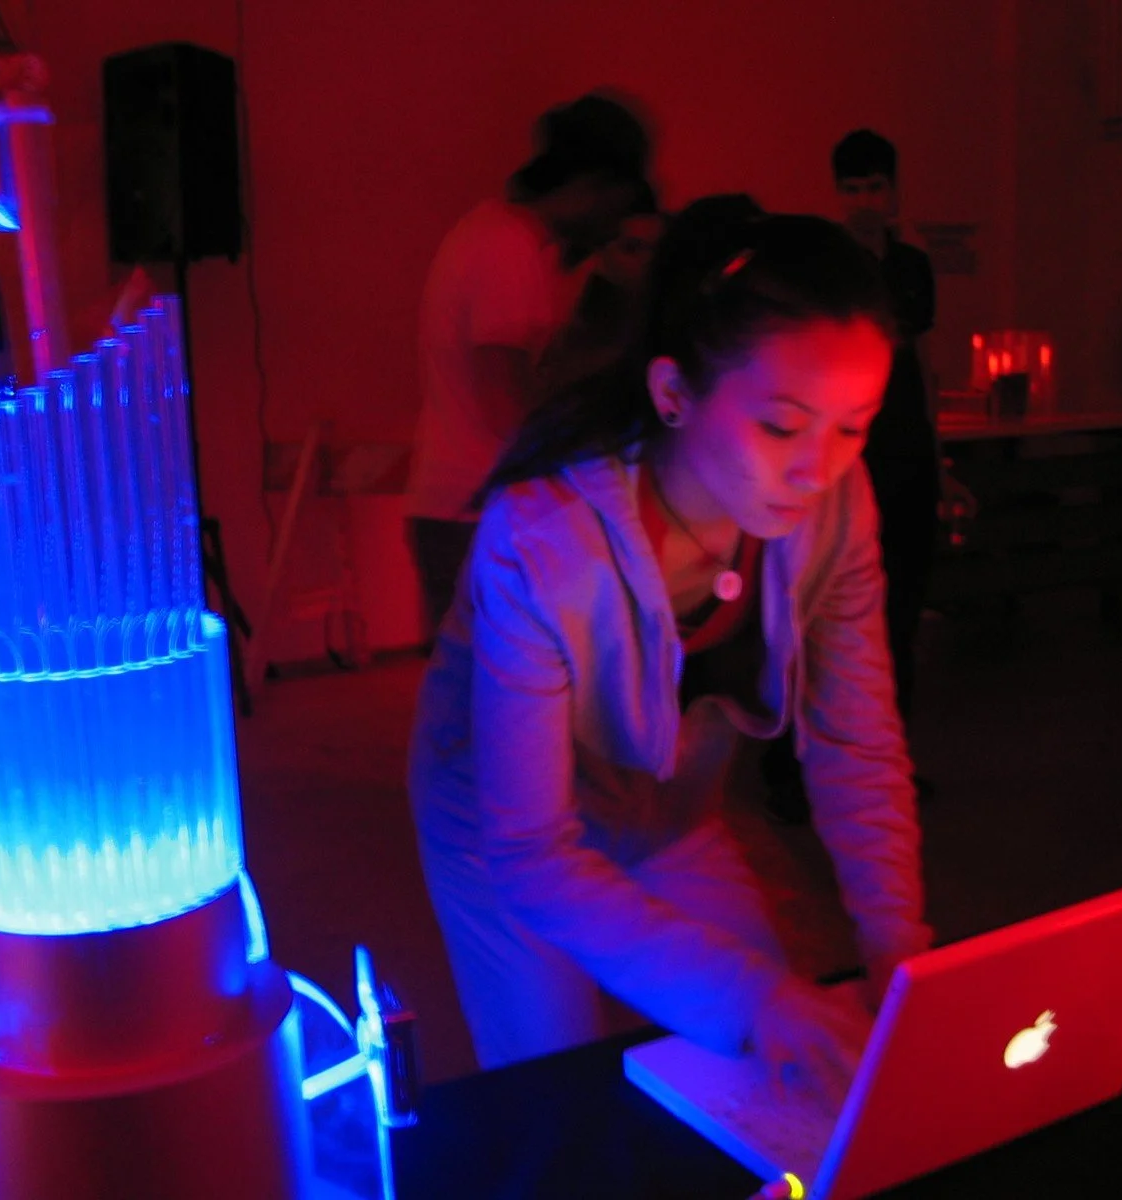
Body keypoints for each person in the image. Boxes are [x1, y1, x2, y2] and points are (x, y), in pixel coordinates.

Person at [408, 198, 931, 1088]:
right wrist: (755, 1000)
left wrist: (899, 953)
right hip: (499, 827)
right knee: (556, 1090)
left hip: (665, 812)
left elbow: (855, 740)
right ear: (673, 394)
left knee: (786, 1066)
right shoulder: (543, 544)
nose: (821, 468)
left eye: (855, 425)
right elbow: (534, 853)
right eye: (781, 424)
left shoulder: (838, 508)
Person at [763, 130, 967, 819]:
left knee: (900, 614)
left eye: (875, 187)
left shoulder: (910, 265)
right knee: (815, 614)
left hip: (904, 455)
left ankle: (889, 763)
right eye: (852, 188)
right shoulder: (826, 267)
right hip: (842, 462)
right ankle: (794, 767)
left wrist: (938, 461)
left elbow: (922, 363)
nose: (865, 201)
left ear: (895, 189)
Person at [405, 92, 652, 644]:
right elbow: (506, 405)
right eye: (617, 201)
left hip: (458, 509)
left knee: (470, 701)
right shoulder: (507, 250)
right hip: (473, 514)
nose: (614, 223)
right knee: (490, 705)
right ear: (592, 187)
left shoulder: (493, 236)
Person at [535, 180, 666, 394]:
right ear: (601, 253)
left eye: (657, 249)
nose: (648, 261)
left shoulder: (663, 312)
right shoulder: (583, 331)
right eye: (631, 248)